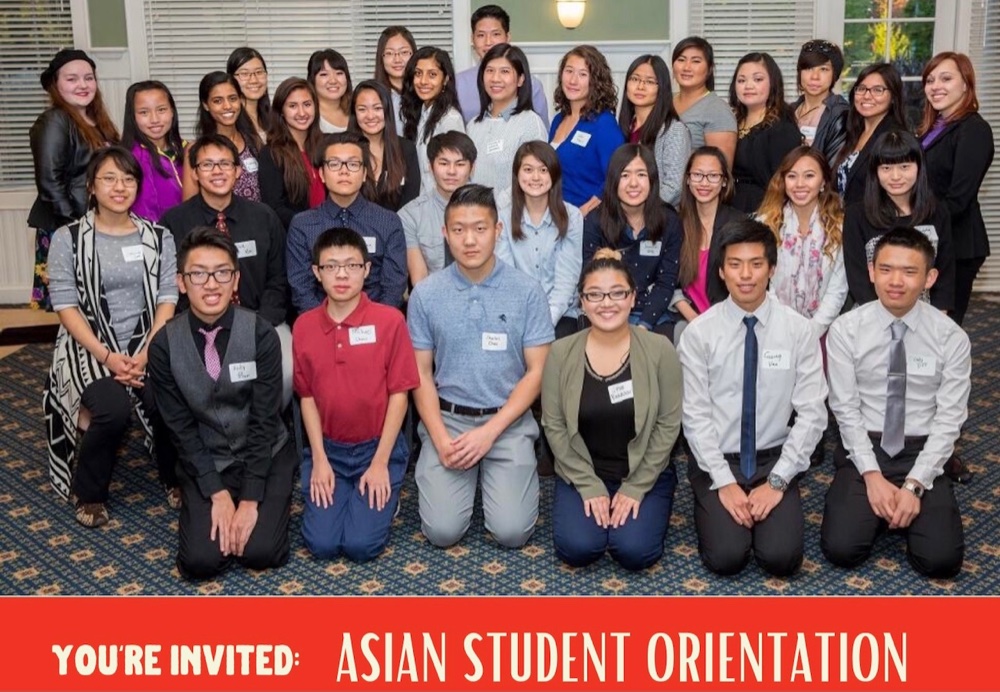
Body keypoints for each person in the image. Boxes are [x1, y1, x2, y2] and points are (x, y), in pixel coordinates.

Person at [677, 218, 827, 576]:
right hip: (718, 461)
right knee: (727, 558)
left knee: (781, 559)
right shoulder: (699, 334)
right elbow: (695, 418)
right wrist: (724, 482)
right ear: (721, 271)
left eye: (756, 264)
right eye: (735, 264)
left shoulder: (797, 331)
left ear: (771, 269)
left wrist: (778, 481)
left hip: (773, 461)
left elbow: (812, 414)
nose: (746, 275)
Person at [407, 184, 554, 548]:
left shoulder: (527, 290)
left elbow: (537, 371)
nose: (469, 240)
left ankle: (498, 476)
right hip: (450, 422)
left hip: (507, 423)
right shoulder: (426, 294)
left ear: (498, 230)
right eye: (458, 230)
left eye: (480, 228)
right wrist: (440, 438)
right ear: (445, 234)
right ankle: (458, 474)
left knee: (511, 533)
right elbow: (420, 374)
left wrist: (490, 432)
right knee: (441, 533)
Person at [821, 227, 968, 578]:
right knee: (842, 549)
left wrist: (916, 484)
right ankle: (879, 506)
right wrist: (871, 475)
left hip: (922, 450)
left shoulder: (951, 338)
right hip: (865, 448)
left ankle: (904, 507)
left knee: (942, 562)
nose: (896, 281)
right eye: (886, 270)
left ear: (930, 278)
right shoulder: (846, 330)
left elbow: (950, 420)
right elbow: (845, 410)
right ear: (871, 272)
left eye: (909, 271)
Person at [149, 227, 295, 580]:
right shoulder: (164, 346)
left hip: (264, 453)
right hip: (205, 456)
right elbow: (179, 429)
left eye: (222, 273)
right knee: (200, 562)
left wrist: (248, 499)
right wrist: (215, 492)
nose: (211, 284)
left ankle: (269, 501)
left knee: (261, 552)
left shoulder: (261, 334)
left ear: (236, 280)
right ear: (181, 282)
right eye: (198, 274)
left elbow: (265, 419)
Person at [42, 146, 178, 525]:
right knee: (113, 409)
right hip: (88, 349)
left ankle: (176, 478)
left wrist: (147, 352)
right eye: (109, 178)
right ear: (91, 186)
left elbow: (168, 297)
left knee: (169, 399)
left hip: (147, 346)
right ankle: (90, 492)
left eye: (128, 178)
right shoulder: (68, 239)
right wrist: (106, 356)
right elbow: (65, 305)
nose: (120, 187)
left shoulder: (158, 237)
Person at [542, 249, 682, 570]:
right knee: (578, 548)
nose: (607, 303)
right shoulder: (561, 352)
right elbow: (554, 425)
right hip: (582, 471)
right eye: (595, 294)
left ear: (633, 298)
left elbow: (668, 425)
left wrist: (636, 486)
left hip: (644, 470)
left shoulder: (660, 349)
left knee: (634, 551)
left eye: (617, 292)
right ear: (582, 302)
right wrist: (587, 483)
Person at [294, 228, 420, 562]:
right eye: (331, 266)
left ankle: (382, 496)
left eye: (351, 265)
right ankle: (347, 496)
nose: (342, 275)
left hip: (376, 448)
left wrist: (380, 462)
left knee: (361, 547)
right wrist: (319, 459)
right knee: (320, 545)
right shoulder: (304, 326)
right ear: (316, 273)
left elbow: (399, 395)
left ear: (366, 270)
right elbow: (306, 397)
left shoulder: (390, 321)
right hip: (329, 450)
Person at [161, 135, 288, 328]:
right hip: (196, 327)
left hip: (261, 322)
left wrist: (261, 324)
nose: (217, 171)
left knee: (288, 358)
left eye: (225, 164)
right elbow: (170, 284)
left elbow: (279, 279)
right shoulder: (174, 222)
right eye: (207, 165)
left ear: (237, 171)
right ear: (195, 173)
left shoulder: (264, 217)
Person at [29, 48, 119, 310]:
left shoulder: (98, 122)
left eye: (89, 77)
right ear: (56, 85)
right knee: (75, 307)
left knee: (100, 305)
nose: (83, 84)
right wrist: (78, 229)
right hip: (69, 226)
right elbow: (50, 183)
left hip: (99, 225)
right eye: (72, 79)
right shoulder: (55, 120)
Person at [287, 132, 407, 313]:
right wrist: (326, 324)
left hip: (375, 323)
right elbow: (301, 289)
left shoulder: (388, 221)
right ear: (322, 174)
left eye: (353, 164)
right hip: (321, 323)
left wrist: (374, 324)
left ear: (365, 173)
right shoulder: (302, 225)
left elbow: (393, 288)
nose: (344, 171)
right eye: (334, 164)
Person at [918, 51, 994, 327]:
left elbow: (959, 198)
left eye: (946, 78)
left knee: (945, 329)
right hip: (932, 238)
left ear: (966, 84)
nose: (935, 86)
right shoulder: (935, 127)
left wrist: (913, 223)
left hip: (958, 243)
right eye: (930, 80)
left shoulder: (974, 129)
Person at [844, 130, 955, 312]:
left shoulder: (937, 211)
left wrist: (938, 319)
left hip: (925, 315)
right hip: (873, 314)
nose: (895, 177)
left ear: (919, 167)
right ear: (875, 172)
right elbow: (858, 279)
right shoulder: (857, 215)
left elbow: (945, 273)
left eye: (904, 167)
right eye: (886, 168)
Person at [582, 144, 683, 340]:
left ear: (652, 179)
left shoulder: (669, 220)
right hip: (607, 311)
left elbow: (666, 282)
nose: (633, 183)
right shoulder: (596, 221)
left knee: (658, 356)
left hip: (654, 315)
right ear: (613, 180)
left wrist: (643, 326)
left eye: (641, 174)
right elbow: (591, 281)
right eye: (625, 175)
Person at [757, 146, 847, 338]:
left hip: (823, 331)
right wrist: (782, 326)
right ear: (783, 181)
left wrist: (812, 332)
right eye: (792, 176)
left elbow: (837, 289)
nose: (799, 184)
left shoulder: (839, 227)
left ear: (823, 181)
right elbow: (764, 282)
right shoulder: (766, 224)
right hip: (773, 328)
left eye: (809, 176)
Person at [496, 140, 583, 338]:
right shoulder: (502, 218)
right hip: (516, 312)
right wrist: (524, 321)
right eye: (528, 169)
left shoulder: (572, 216)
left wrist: (544, 323)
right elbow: (507, 278)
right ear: (517, 174)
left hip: (561, 314)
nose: (535, 177)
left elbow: (566, 280)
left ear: (554, 174)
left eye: (543, 170)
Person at [670, 146, 742, 335]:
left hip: (730, 322)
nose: (704, 183)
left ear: (724, 181)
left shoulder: (738, 224)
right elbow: (669, 282)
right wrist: (695, 321)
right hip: (688, 319)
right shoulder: (676, 223)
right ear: (687, 179)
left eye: (713, 176)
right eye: (698, 175)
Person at [549, 45, 625, 215]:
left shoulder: (603, 123)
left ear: (595, 81)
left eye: (583, 74)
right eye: (569, 71)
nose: (573, 80)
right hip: (557, 215)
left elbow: (617, 176)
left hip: (589, 219)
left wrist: (584, 213)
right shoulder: (558, 120)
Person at [466, 43, 548, 193]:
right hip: (474, 213)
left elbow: (534, 183)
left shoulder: (530, 123)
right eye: (490, 71)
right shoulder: (473, 125)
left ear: (521, 79)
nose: (495, 78)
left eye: (505, 71)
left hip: (511, 214)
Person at [729, 52, 803, 214]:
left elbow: (783, 184)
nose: (748, 86)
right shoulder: (731, 121)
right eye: (741, 80)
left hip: (765, 213)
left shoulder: (782, 128)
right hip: (731, 210)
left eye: (758, 79)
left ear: (773, 83)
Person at [401, 131, 477, 285]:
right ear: (430, 166)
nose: (451, 171)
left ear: (472, 168)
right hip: (435, 301)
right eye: (443, 163)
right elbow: (420, 280)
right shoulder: (410, 215)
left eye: (460, 164)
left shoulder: (491, 209)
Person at [456, 4, 549, 126]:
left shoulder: (531, 84)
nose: (488, 42)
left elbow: (541, 134)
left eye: (495, 34)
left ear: (507, 37)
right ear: (472, 40)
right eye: (481, 35)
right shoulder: (458, 84)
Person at [619, 54, 691, 207]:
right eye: (635, 79)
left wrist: (641, 211)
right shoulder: (623, 127)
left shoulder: (674, 130)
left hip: (658, 217)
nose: (640, 86)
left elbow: (674, 188)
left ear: (662, 88)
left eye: (650, 82)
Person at [834, 63, 907, 206]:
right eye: (862, 89)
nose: (867, 96)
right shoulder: (855, 131)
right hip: (846, 222)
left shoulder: (894, 138)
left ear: (893, 97)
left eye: (878, 90)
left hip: (874, 224)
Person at [184, 72, 263, 203]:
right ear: (206, 105)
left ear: (240, 100)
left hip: (255, 221)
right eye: (217, 101)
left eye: (232, 98)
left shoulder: (254, 142)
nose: (227, 106)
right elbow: (190, 205)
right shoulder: (196, 149)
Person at [258, 77, 325, 229]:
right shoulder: (271, 153)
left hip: (329, 234)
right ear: (281, 111)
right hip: (295, 236)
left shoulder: (325, 146)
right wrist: (311, 224)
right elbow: (274, 207)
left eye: (307, 104)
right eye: (293, 106)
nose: (302, 112)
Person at [348, 79, 421, 212]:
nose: (370, 116)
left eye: (377, 108)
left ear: (387, 110)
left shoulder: (406, 149)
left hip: (398, 227)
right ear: (354, 114)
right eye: (362, 109)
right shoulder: (345, 150)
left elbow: (411, 201)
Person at [401, 46, 466, 192]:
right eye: (418, 73)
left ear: (445, 79)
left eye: (432, 75)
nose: (423, 81)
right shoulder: (419, 114)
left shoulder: (450, 119)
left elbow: (455, 173)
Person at [121, 80, 185, 223]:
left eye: (161, 109)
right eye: (144, 112)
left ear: (172, 111)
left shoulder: (188, 151)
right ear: (133, 117)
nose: (154, 119)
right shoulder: (127, 158)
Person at [671, 37, 737, 168]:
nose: (686, 67)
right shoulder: (664, 100)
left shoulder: (718, 110)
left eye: (696, 61)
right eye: (681, 60)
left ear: (710, 69)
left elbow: (721, 171)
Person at [790, 40, 848, 166]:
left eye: (823, 69)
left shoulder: (841, 114)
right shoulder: (788, 111)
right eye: (809, 68)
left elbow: (834, 168)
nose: (814, 77)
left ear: (834, 74)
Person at [373, 26, 417, 136]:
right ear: (381, 58)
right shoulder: (373, 96)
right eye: (389, 53)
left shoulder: (424, 93)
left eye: (404, 52)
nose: (397, 59)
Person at [227, 47, 270, 144]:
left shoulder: (272, 118)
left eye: (259, 72)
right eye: (244, 74)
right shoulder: (229, 121)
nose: (254, 80)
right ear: (231, 79)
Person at [308, 49, 353, 134]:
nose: (333, 81)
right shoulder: (307, 116)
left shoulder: (357, 111)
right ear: (312, 80)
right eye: (324, 74)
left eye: (339, 73)